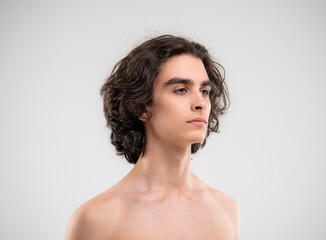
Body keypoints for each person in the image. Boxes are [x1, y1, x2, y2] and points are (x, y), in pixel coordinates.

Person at [65, 35, 240, 239]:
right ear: (140, 106)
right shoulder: (96, 219)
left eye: (204, 90)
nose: (200, 103)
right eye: (181, 90)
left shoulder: (226, 210)